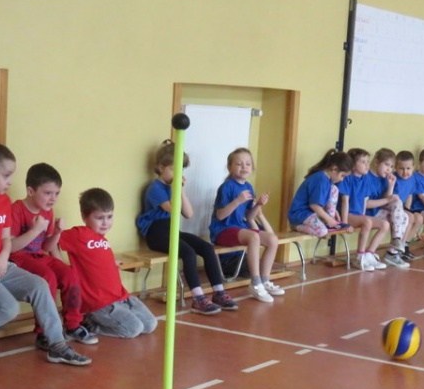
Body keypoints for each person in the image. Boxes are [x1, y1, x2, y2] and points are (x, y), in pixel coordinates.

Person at [0, 142, 91, 366]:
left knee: (40, 285)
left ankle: (57, 345)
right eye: (6, 175)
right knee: (9, 307)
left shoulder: (3, 201)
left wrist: (3, 257)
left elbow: (6, 239)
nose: (10, 181)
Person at [138, 141, 237, 314]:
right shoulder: (155, 188)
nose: (177, 174)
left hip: (171, 230)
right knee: (188, 253)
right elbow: (173, 210)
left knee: (207, 248)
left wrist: (181, 190)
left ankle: (219, 292)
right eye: (173, 169)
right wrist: (176, 188)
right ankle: (198, 298)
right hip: (156, 233)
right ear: (160, 167)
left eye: (180, 170)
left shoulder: (172, 188)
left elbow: (189, 213)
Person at [10, 162, 97, 344]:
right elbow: (10, 247)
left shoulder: (48, 212)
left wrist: (57, 232)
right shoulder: (16, 209)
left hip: (39, 256)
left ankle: (72, 324)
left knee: (70, 274)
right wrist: (35, 230)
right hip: (18, 258)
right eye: (48, 193)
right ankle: (44, 332)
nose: (53, 198)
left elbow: (47, 246)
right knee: (47, 277)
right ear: (31, 191)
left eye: (57, 193)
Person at [60, 188, 158, 337]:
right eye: (99, 218)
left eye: (109, 216)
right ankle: (90, 324)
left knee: (150, 324)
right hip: (100, 304)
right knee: (134, 329)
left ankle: (114, 317)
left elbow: (94, 260)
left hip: (122, 298)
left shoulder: (102, 239)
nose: (105, 222)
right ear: (84, 217)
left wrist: (111, 262)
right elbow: (52, 239)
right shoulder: (78, 234)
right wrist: (60, 263)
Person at [210, 147, 285, 303]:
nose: (244, 167)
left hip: (240, 228)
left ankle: (265, 280)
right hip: (223, 230)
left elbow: (249, 216)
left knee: (272, 239)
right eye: (239, 164)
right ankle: (255, 283)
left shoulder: (248, 187)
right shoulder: (226, 187)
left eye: (248, 164)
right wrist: (237, 201)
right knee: (253, 237)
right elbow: (220, 215)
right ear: (230, 167)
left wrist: (259, 205)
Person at [338, 148, 391, 271]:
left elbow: (364, 201)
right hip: (347, 214)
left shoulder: (365, 179)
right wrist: (344, 223)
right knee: (367, 222)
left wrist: (363, 216)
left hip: (358, 214)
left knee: (385, 224)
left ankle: (369, 254)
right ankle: (359, 256)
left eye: (368, 161)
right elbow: (345, 202)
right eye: (363, 162)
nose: (367, 165)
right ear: (353, 164)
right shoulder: (347, 179)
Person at [288, 149, 354, 238]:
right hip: (300, 215)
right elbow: (314, 205)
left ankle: (328, 222)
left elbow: (324, 200)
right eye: (342, 176)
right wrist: (328, 219)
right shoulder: (320, 179)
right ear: (334, 169)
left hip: (311, 213)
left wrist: (333, 213)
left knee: (334, 189)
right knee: (323, 231)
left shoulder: (327, 180)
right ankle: (296, 226)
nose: (342, 179)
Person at [391, 150, 424, 259]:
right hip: (393, 208)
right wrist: (406, 211)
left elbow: (409, 194)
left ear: (413, 167)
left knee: (419, 218)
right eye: (401, 168)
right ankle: (399, 247)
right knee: (410, 217)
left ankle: (405, 244)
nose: (405, 172)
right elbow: (393, 199)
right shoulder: (394, 179)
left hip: (403, 207)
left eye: (408, 168)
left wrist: (408, 208)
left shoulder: (412, 179)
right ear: (395, 168)